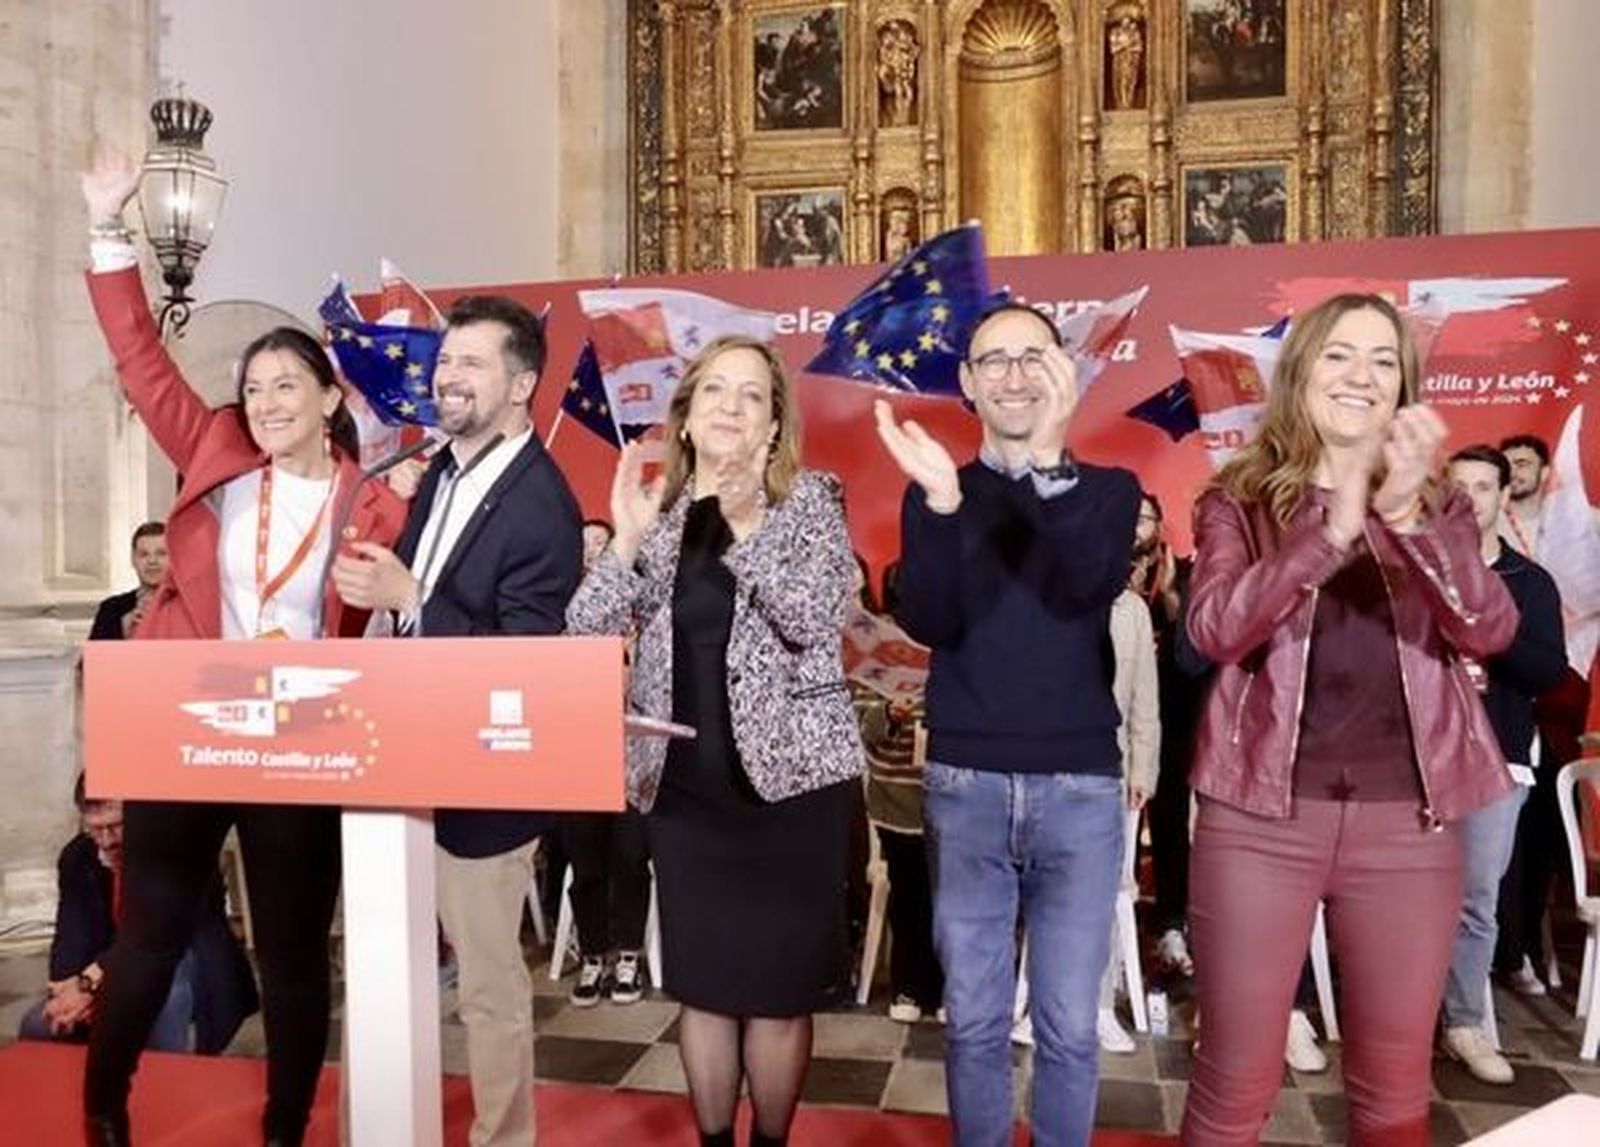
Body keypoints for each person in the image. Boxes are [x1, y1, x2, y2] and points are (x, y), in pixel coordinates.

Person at [78, 152, 409, 1147]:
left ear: (327, 398)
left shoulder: (372, 501)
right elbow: (142, 362)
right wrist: (108, 228)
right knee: (149, 933)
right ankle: (104, 1102)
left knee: (294, 950)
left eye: (284, 385)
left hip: (303, 734)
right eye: (253, 387)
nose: (263, 402)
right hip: (191, 717)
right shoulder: (217, 455)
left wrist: (393, 600)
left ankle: (283, 1125)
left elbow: (396, 619)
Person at [1179, 293, 1518, 1146]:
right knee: (1233, 1087)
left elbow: (1490, 628)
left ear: (1404, 384)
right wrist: (1330, 530)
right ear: (1300, 374)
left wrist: (1403, 517)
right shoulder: (1238, 499)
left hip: (1409, 828)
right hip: (1257, 823)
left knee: (1396, 1095)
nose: (1360, 374)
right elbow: (1215, 628)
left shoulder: (1439, 506)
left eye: (1382, 358)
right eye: (1338, 353)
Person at [567, 335, 863, 1147]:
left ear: (773, 425)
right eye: (715, 391)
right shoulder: (661, 513)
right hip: (686, 794)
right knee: (704, 988)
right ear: (687, 416)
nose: (731, 405)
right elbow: (584, 630)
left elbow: (813, 618)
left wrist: (744, 519)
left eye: (752, 395)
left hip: (792, 790)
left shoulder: (811, 500)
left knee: (777, 993)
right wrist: (626, 540)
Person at [875, 301, 1140, 1147]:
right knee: (974, 1020)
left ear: (1064, 371)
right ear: (967, 381)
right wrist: (943, 505)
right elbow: (932, 620)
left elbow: (1084, 584)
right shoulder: (938, 490)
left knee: (1067, 1025)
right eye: (994, 360)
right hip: (967, 785)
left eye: (1033, 357)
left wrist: (1051, 460)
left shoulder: (1107, 490)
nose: (1015, 375)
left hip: (1079, 788)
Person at [332, 295, 583, 1147]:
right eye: (445, 361)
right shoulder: (438, 470)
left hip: (486, 778)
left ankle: (502, 1137)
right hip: (399, 755)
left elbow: (526, 659)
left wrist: (410, 598)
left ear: (521, 385)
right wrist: (383, 592)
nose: (448, 376)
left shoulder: (543, 502)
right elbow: (415, 598)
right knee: (383, 970)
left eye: (472, 362)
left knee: (485, 986)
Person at [1438, 445, 1565, 1084]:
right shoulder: (1417, 569)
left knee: (1475, 900)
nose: (1469, 499)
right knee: (1398, 895)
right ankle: (1398, 1016)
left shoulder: (1529, 582)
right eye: (1457, 486)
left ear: (1504, 495)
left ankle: (1464, 1022)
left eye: (1483, 487)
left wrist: (1488, 621)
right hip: (1415, 759)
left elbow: (1546, 670)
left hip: (1498, 760)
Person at [19, 774, 256, 1054]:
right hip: (109, 973)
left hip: (185, 966)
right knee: (38, 1025)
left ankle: (164, 1073)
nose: (106, 841)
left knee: (164, 985)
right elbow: (71, 930)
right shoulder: (78, 856)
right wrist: (64, 986)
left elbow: (158, 933)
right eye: (95, 829)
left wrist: (90, 983)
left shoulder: (177, 851)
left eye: (116, 826)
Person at [1495, 432, 1597, 996]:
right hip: (1505, 711)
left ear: (1543, 472)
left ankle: (1528, 947)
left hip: (1564, 706)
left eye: (1526, 463)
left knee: (1548, 841)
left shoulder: (1577, 529)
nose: (1518, 471)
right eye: (1509, 464)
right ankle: (1506, 951)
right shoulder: (1483, 537)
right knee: (1507, 844)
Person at [559, 517, 653, 1008]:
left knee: (631, 858)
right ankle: (593, 955)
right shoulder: (565, 615)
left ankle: (629, 955)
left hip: (635, 761)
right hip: (580, 758)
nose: (594, 551)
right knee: (587, 863)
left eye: (603, 542)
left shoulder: (643, 616)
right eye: (586, 544)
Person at [87, 522, 168, 640]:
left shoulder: (190, 608)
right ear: (133, 559)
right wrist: (124, 630)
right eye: (144, 554)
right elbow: (94, 652)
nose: (152, 561)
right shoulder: (111, 609)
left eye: (161, 554)